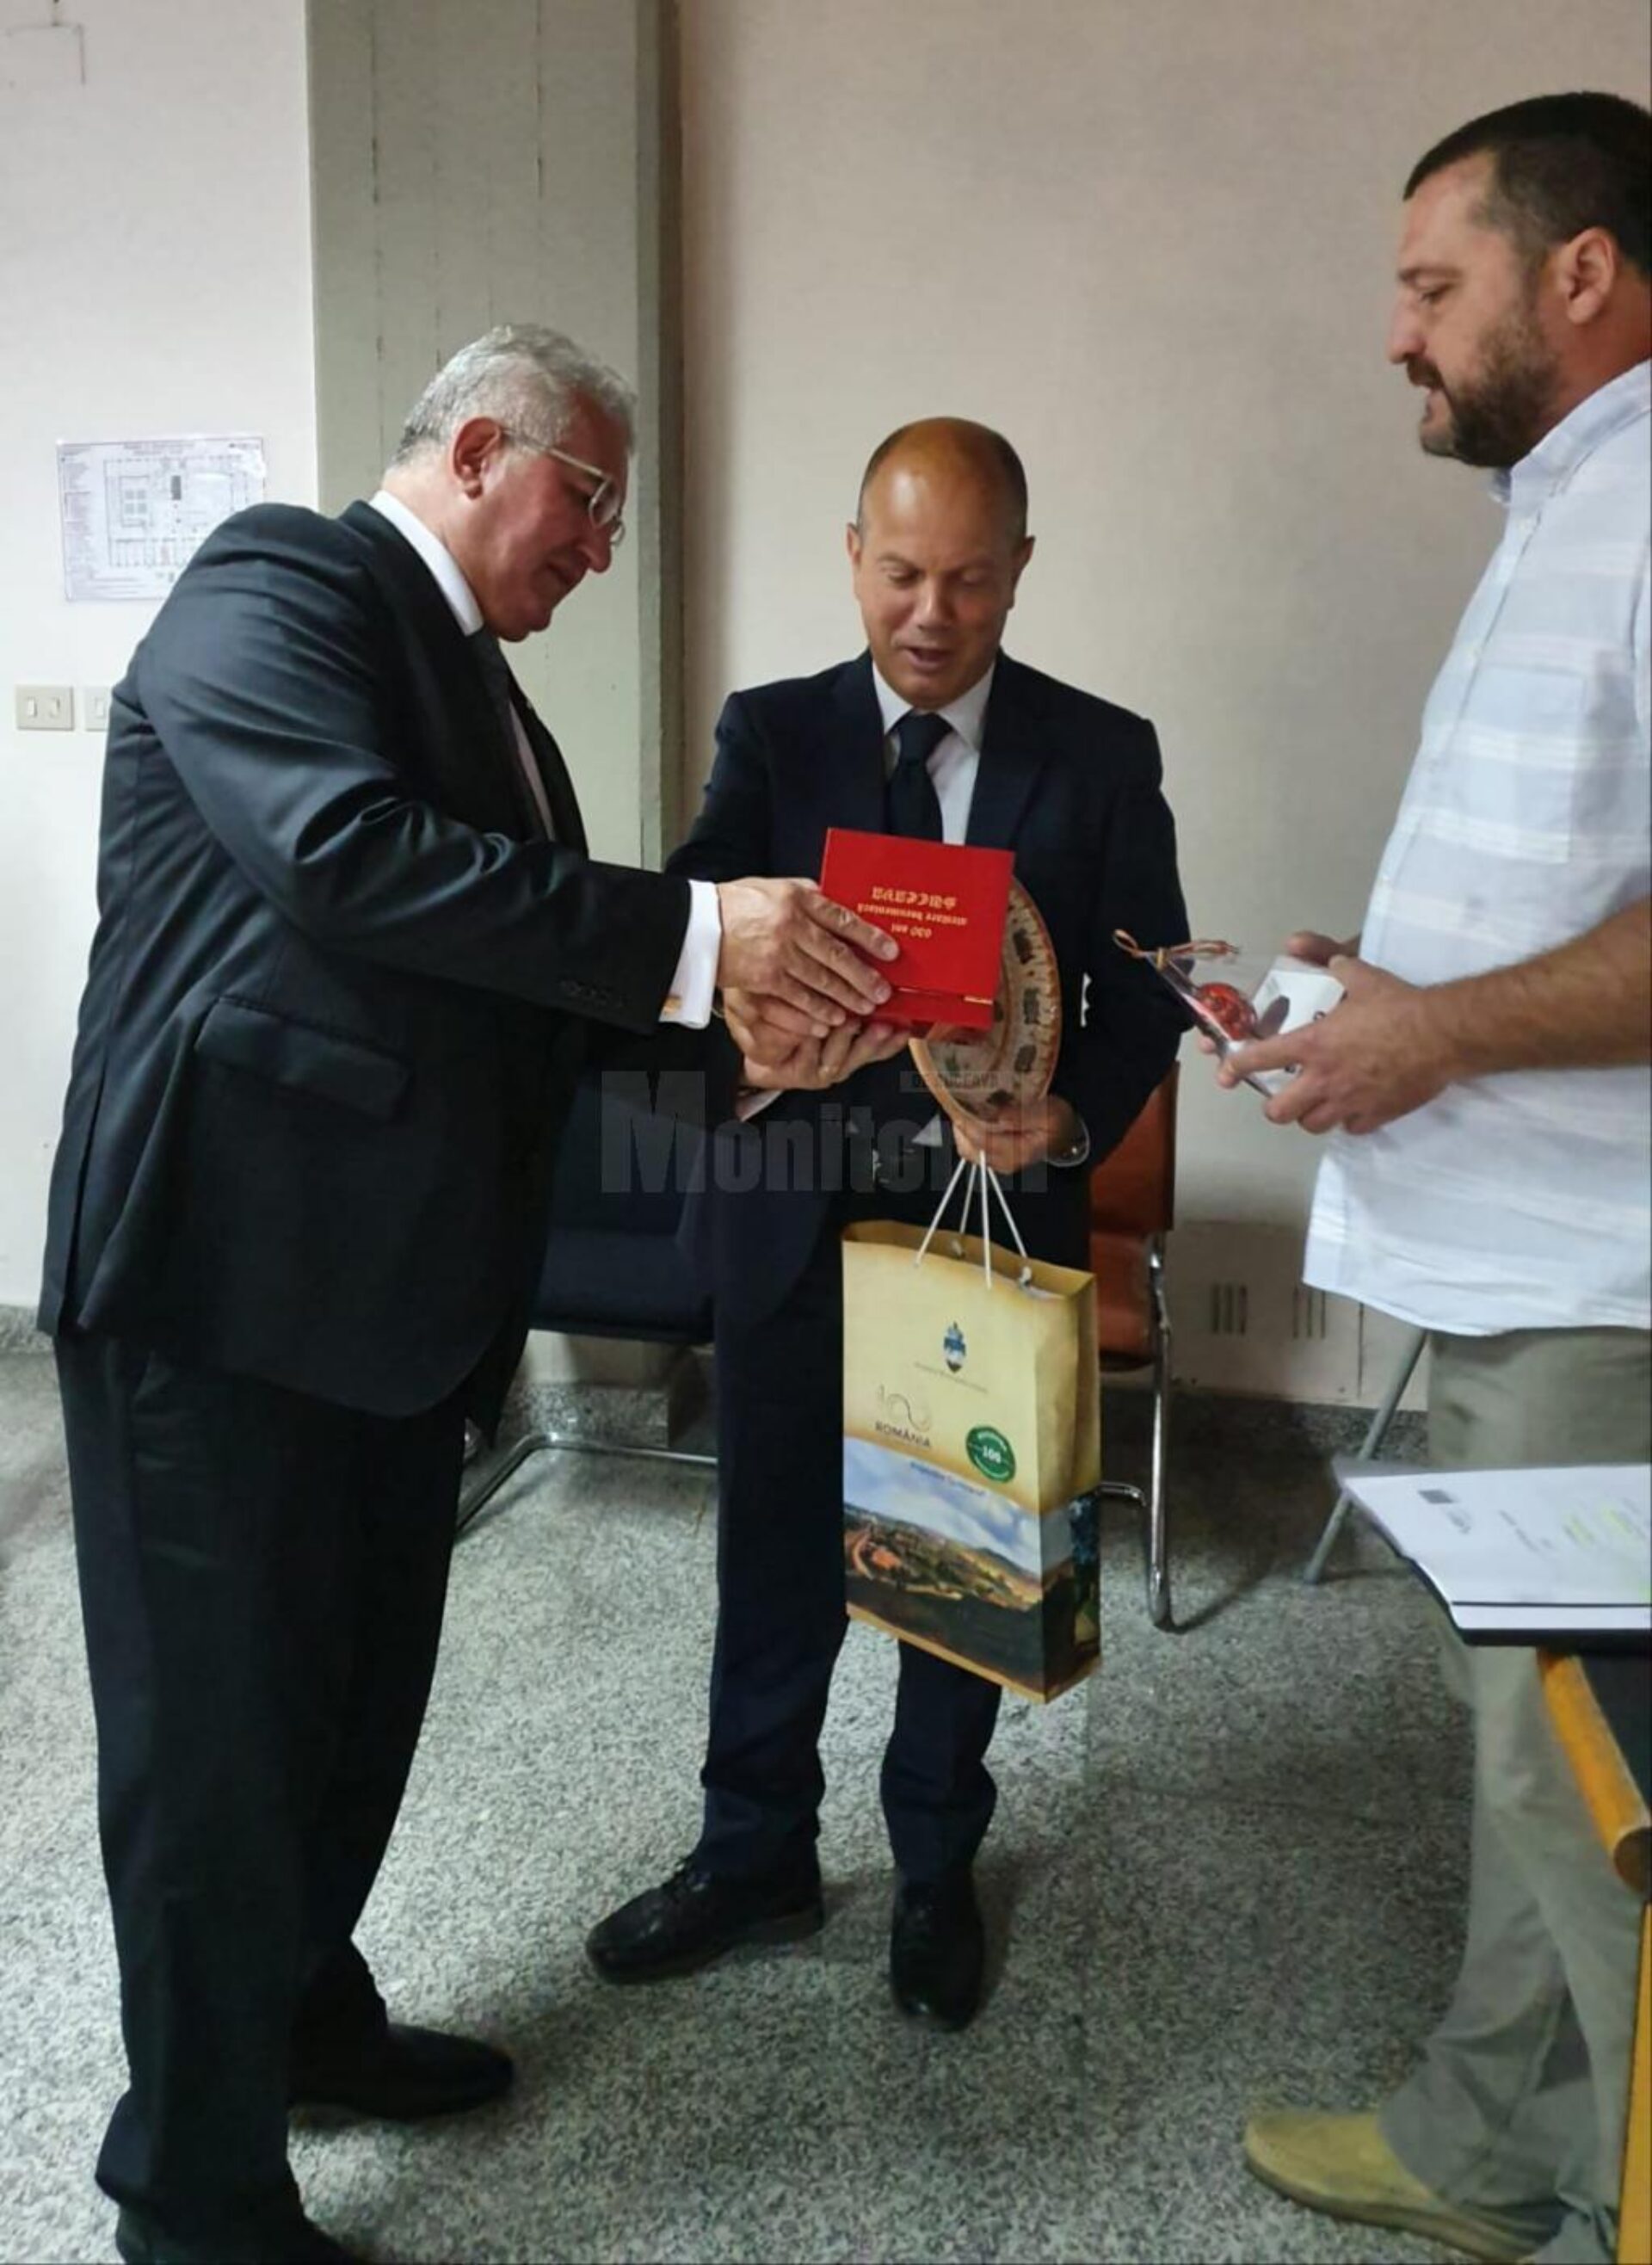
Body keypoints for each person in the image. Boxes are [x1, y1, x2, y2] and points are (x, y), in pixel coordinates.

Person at [39, 324, 898, 2265]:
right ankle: (189, 2194)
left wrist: (750, 1046)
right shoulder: (280, 580)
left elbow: (526, 995)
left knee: (348, 1713)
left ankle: (302, 2022)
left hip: (390, 1312)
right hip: (219, 1291)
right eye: (590, 501)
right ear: (485, 447)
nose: (598, 548)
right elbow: (345, 858)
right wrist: (704, 934)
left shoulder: (504, 712)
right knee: (217, 1753)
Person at [586, 417, 1188, 2030]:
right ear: (854, 558)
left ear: (1021, 572)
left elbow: (1144, 987)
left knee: (958, 1563)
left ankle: (935, 1864)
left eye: (971, 581)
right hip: (791, 1209)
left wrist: (1070, 1117)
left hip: (987, 1219)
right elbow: (696, 937)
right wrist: (753, 1027)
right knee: (774, 1555)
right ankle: (752, 1855)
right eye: (903, 573)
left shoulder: (1100, 751)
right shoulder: (773, 733)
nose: (932, 614)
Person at [1231, 96, 1651, 2265]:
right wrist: (1380, 989)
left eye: (1430, 284)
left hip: (1607, 1284)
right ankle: (1495, 2138)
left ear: (1579, 272)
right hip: (1526, 1259)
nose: (1398, 333)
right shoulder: (1564, 502)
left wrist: (1436, 1032)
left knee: (1596, 1795)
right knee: (1527, 1757)